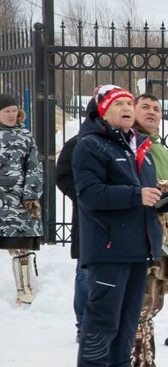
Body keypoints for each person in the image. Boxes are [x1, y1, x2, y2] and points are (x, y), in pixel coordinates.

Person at [73, 84, 168, 367]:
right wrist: (136, 195)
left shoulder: (137, 146)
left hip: (139, 248)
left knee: (127, 317)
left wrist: (167, 201)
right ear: (102, 110)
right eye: (119, 104)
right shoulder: (91, 145)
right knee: (103, 315)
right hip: (108, 247)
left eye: (128, 102)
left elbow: (145, 199)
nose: (126, 108)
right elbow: (89, 194)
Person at [129, 94, 168, 367]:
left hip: (162, 234)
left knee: (153, 301)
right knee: (138, 301)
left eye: (156, 108)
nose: (152, 113)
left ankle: (146, 361)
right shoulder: (130, 145)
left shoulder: (157, 147)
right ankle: (130, 364)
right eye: (145, 108)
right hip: (139, 233)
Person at [0, 93, 43, 305]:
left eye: (14, 110)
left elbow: (34, 167)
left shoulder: (25, 137)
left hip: (16, 202)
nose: (11, 114)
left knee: (20, 247)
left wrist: (31, 195)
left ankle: (25, 290)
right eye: (6, 111)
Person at [56, 126, 89, 338]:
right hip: (85, 218)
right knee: (84, 272)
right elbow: (62, 176)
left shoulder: (121, 142)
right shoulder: (77, 142)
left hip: (115, 222)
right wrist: (81, 196)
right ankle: (83, 325)